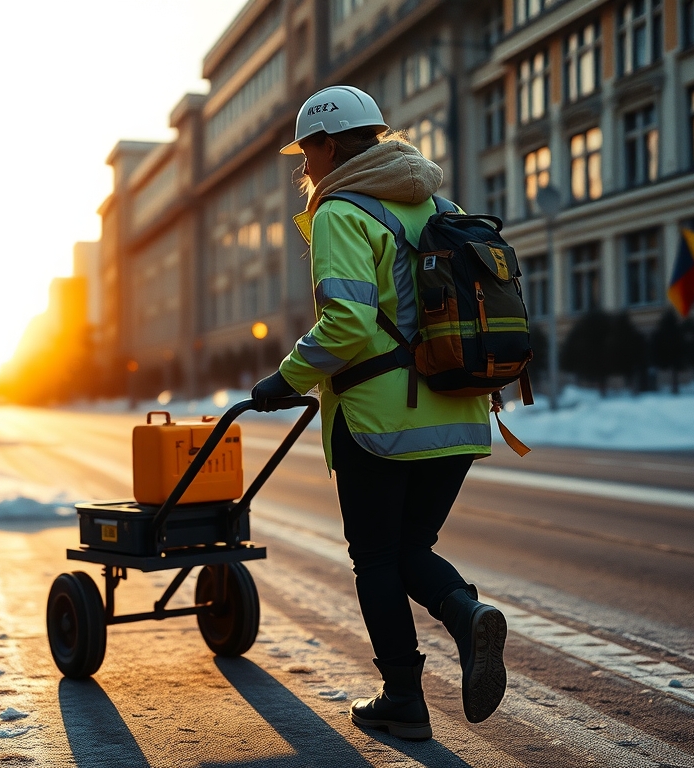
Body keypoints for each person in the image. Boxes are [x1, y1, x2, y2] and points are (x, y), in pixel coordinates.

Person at [251, 85, 507, 740]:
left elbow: (346, 327)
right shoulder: (438, 205)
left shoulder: (341, 211)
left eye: (306, 154)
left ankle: (404, 698)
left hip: (382, 418)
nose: (302, 168)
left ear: (330, 145)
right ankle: (463, 614)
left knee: (376, 558)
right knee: (410, 548)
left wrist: (285, 379)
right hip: (459, 409)